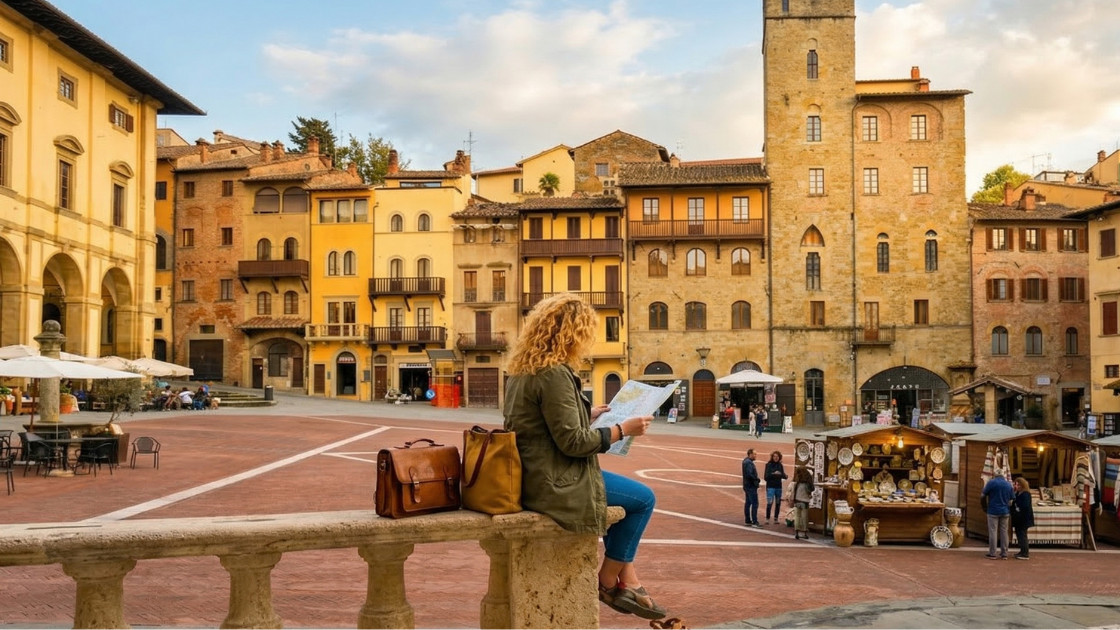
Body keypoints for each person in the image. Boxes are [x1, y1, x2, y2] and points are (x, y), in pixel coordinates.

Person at [502, 293, 667, 621]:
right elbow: (574, 443)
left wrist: (586, 415)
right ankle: (608, 579)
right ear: (572, 333)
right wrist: (622, 429)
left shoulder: (523, 371)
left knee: (624, 498)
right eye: (585, 333)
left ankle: (628, 580)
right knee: (643, 499)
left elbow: (538, 425)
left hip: (533, 473)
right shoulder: (554, 374)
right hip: (555, 480)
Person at [981, 474, 1015, 559]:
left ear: (995, 476)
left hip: (993, 510)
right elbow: (1012, 498)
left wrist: (984, 507)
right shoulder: (1008, 484)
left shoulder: (991, 483)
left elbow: (983, 495)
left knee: (993, 531)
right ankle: (1004, 553)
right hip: (1005, 511)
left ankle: (992, 553)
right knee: (1004, 532)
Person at [1010, 477, 1035, 560]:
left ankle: (1025, 553)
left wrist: (1017, 509)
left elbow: (1025, 506)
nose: (1016, 486)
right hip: (1018, 518)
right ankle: (1022, 551)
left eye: (1018, 485)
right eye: (1015, 484)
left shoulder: (1026, 494)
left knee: (1022, 535)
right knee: (1019, 535)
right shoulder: (1017, 493)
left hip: (1024, 518)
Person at [763, 450, 788, 524]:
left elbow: (783, 475)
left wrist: (783, 475)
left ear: (779, 457)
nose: (776, 458)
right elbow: (766, 477)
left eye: (777, 456)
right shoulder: (768, 465)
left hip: (778, 487)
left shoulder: (780, 465)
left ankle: (776, 518)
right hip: (770, 486)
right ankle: (767, 518)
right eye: (774, 456)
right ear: (772, 457)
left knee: (778, 503)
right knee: (769, 503)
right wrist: (774, 474)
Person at [792, 467, 814, 540]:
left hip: (797, 500)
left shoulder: (797, 483)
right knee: (804, 517)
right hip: (804, 501)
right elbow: (810, 489)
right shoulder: (806, 483)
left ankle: (797, 532)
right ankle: (804, 533)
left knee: (797, 517)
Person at [742, 448, 761, 527]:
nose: (755, 456)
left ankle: (748, 520)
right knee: (754, 503)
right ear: (750, 454)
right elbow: (749, 474)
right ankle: (754, 521)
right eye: (754, 454)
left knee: (748, 503)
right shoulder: (749, 463)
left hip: (747, 485)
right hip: (751, 486)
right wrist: (756, 479)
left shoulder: (746, 461)